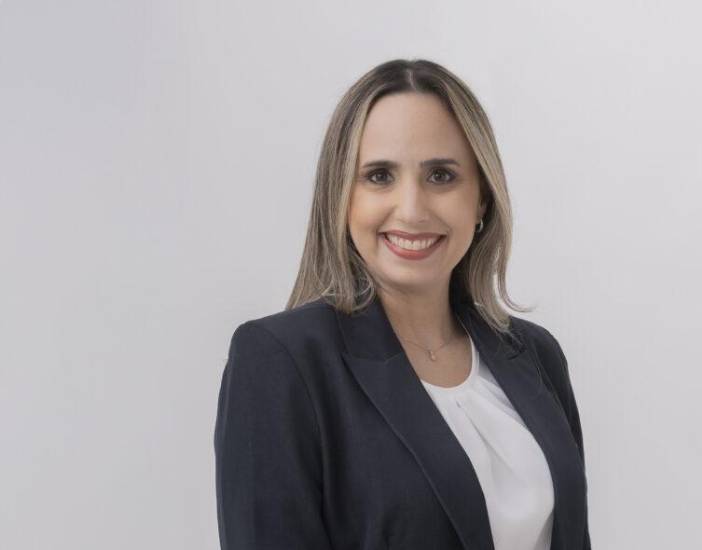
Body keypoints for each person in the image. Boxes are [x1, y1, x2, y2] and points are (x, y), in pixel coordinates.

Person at [214, 58, 591, 550]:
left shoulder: (536, 356)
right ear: (341, 196)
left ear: (481, 198)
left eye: (441, 175)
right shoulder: (280, 362)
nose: (411, 210)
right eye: (379, 176)